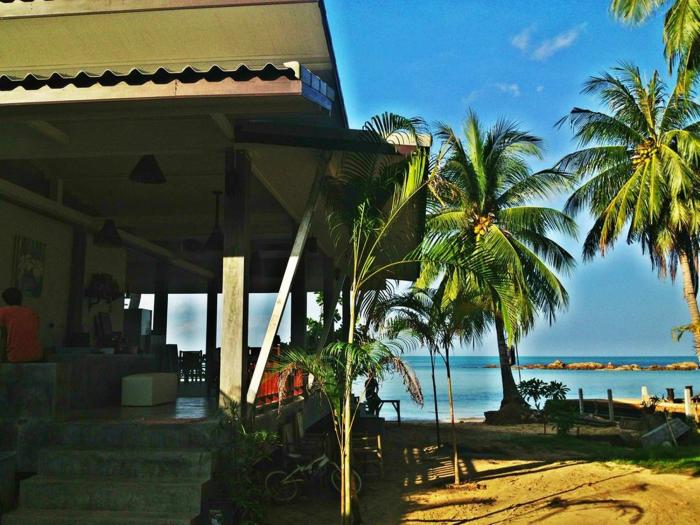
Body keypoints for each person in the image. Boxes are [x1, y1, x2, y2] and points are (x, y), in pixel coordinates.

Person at [0, 287, 43, 363]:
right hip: (36, 355)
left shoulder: (3, 312)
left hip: (16, 356)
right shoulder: (32, 313)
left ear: (6, 300)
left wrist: (3, 357)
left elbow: (4, 336)